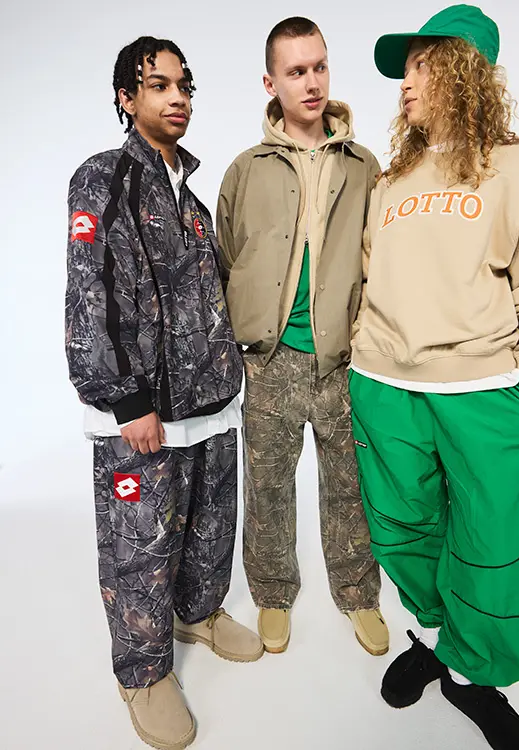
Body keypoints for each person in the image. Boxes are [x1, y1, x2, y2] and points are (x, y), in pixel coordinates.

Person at [349, 5, 519, 749]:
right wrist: (363, 356)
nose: (406, 83)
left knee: (494, 542)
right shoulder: (395, 177)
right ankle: (432, 640)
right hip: (385, 385)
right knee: (403, 530)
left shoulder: (510, 166)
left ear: (460, 70)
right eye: (405, 70)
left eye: (420, 66)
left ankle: (473, 676)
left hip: (483, 390)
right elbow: (372, 275)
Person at [65, 36, 263, 750]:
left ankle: (198, 613)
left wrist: (230, 379)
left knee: (209, 527)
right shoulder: (102, 179)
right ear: (127, 97)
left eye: (185, 86)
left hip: (210, 405)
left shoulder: (194, 201)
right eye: (158, 85)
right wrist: (126, 399)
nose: (177, 98)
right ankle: (143, 672)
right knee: (139, 548)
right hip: (141, 414)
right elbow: (89, 293)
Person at [216, 17, 388, 656]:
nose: (311, 82)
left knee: (351, 483)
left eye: (319, 67)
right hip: (271, 360)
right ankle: (271, 592)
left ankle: (359, 593)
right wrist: (251, 333)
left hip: (342, 358)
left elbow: (378, 257)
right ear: (271, 83)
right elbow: (228, 255)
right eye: (295, 71)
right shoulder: (246, 169)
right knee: (267, 486)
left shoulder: (364, 166)